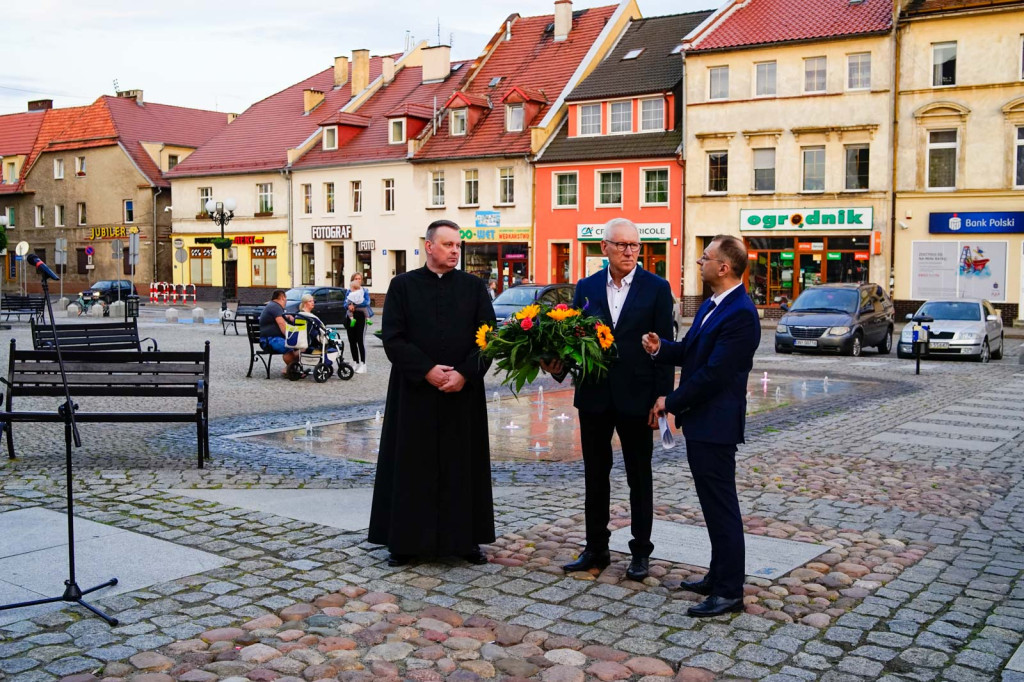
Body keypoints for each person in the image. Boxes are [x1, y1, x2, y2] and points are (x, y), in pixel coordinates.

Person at [543, 218, 674, 582]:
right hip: (596, 395)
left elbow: (665, 346)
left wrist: (663, 398)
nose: (630, 251)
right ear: (605, 248)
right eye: (622, 245)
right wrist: (555, 367)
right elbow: (573, 340)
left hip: (638, 397)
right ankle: (595, 548)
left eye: (635, 246)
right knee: (595, 476)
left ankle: (640, 552)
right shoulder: (585, 287)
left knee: (639, 477)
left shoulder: (657, 288)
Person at [642, 234, 760, 617]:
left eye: (705, 258)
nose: (699, 263)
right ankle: (717, 574)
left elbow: (713, 374)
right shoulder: (713, 304)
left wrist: (669, 402)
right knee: (712, 506)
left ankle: (729, 590)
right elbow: (693, 352)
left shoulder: (740, 312)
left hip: (717, 424)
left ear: (723, 267)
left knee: (722, 507)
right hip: (703, 422)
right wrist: (662, 349)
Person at [368, 219, 497, 567]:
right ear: (429, 246)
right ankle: (407, 541)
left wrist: (466, 374)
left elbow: (489, 337)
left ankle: (465, 540)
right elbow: (393, 337)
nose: (455, 251)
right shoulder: (402, 286)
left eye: (458, 245)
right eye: (448, 245)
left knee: (462, 465)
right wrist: (426, 370)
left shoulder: (474, 287)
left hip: (462, 393)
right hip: (416, 393)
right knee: (414, 466)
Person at [258, 289, 302, 375]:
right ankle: (291, 369)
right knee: (290, 345)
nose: (286, 301)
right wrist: (290, 337)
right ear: (282, 297)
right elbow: (282, 324)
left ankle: (290, 368)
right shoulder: (275, 307)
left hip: (268, 339)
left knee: (299, 347)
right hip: (270, 340)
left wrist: (288, 317)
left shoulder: (272, 306)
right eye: (286, 298)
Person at [344, 273, 371, 374]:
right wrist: (348, 306)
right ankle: (355, 361)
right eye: (356, 278)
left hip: (361, 316)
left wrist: (354, 305)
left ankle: (363, 364)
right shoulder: (349, 291)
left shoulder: (364, 291)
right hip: (351, 316)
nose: (358, 280)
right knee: (352, 340)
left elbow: (367, 302)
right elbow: (344, 303)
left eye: (359, 279)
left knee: (360, 340)